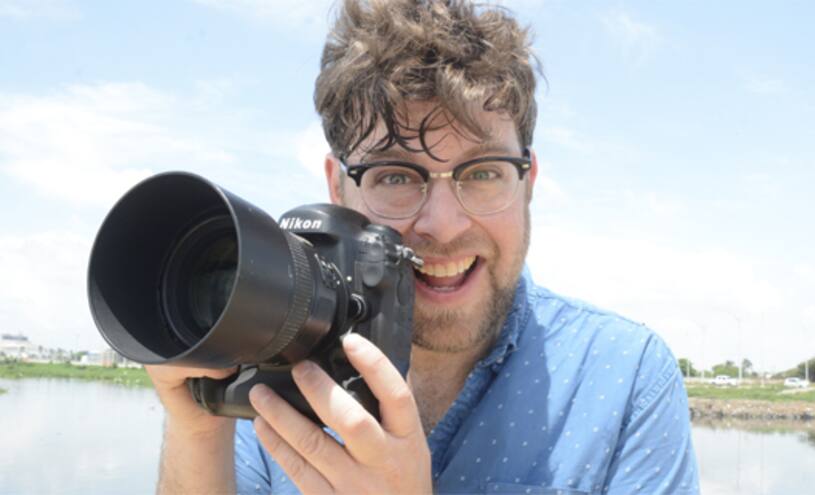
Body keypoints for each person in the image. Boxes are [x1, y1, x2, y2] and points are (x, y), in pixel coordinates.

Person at [147, 1, 700, 493]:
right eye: (394, 176)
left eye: (482, 173)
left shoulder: (625, 376)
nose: (442, 223)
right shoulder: (274, 351)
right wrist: (198, 432)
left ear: (528, 185)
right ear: (338, 187)